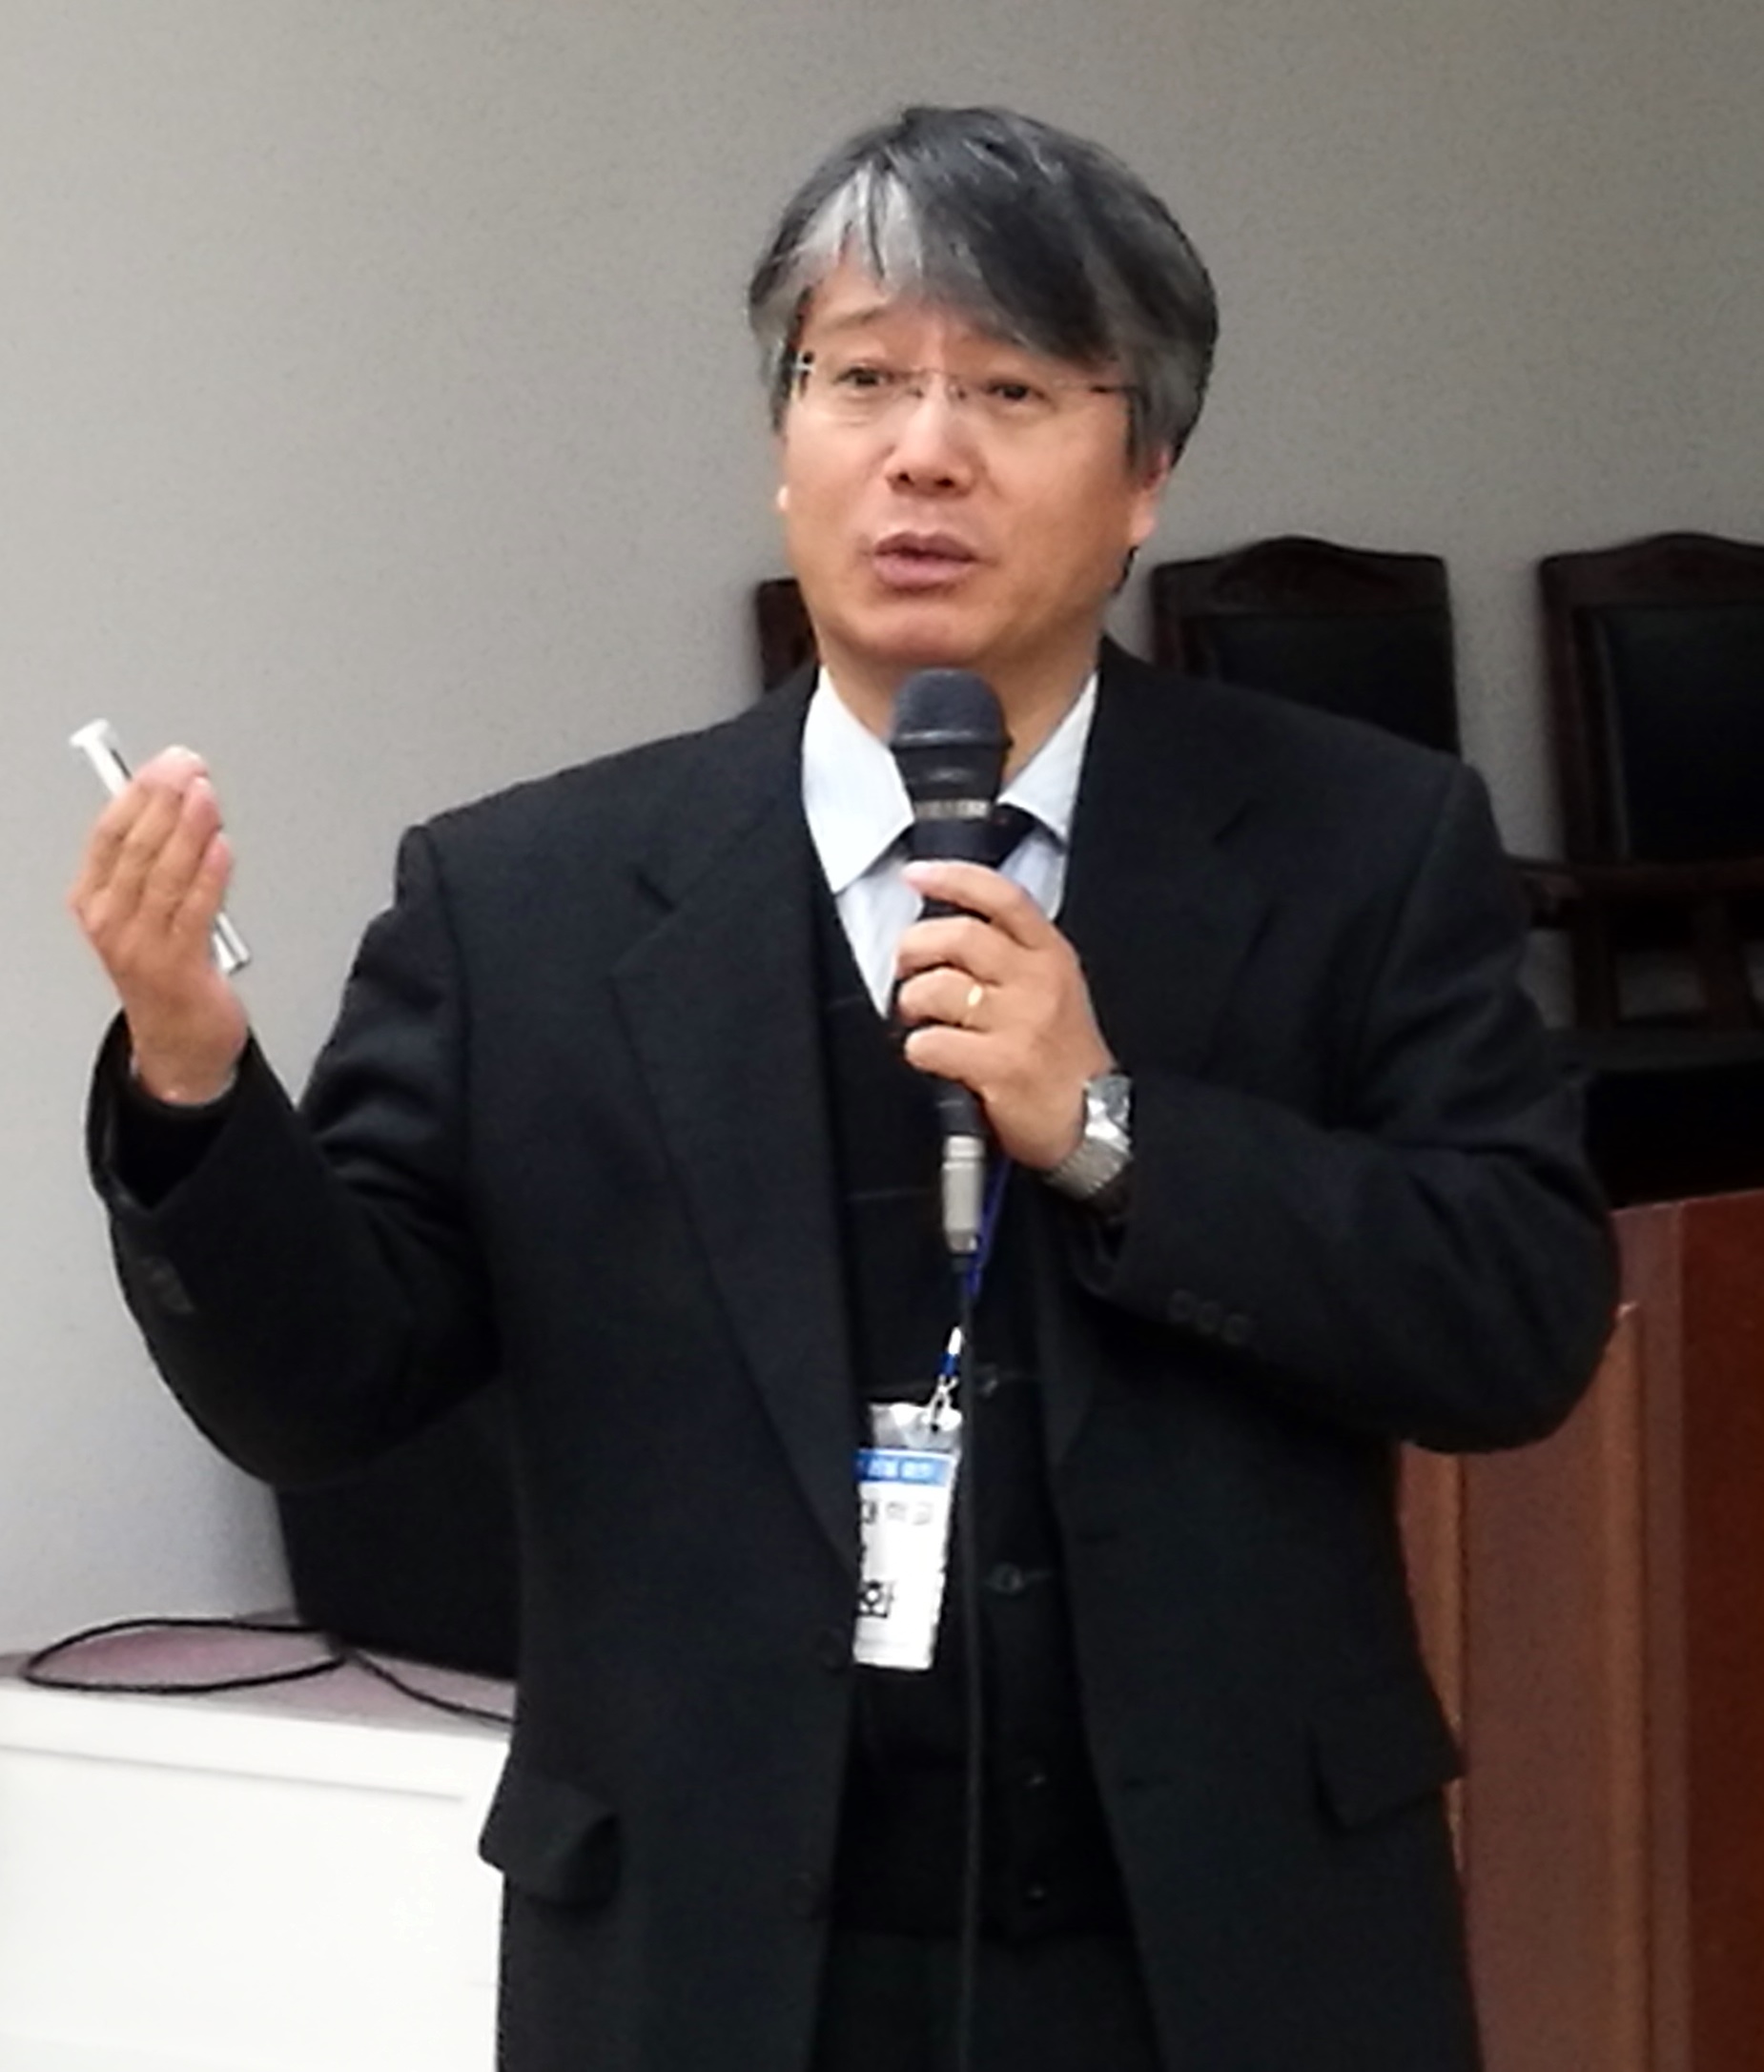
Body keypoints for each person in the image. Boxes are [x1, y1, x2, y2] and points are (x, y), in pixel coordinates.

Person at [72, 105, 1614, 2072]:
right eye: (860, 377)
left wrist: (1112, 1131)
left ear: (1146, 471)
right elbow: (326, 1389)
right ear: (782, 442)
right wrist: (195, 1083)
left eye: (1010, 389)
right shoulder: (527, 898)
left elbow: (1512, 1316)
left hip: (1221, 1951)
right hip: (722, 1961)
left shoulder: (1358, 845)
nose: (922, 449)